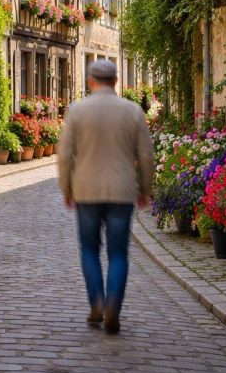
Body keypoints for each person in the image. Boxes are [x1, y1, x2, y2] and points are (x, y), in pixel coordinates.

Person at [57, 59, 154, 334]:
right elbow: (146, 155)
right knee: (118, 252)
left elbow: (64, 155)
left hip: (86, 191)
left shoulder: (77, 111)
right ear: (115, 81)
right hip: (122, 191)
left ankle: (97, 301)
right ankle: (113, 304)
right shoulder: (132, 111)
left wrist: (66, 188)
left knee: (89, 249)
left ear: (90, 82)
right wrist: (145, 189)